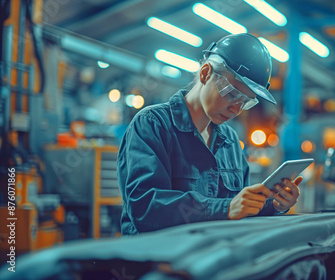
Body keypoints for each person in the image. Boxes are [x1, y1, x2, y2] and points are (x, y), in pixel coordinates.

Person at [117, 33, 302, 235]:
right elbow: (146, 209)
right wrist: (226, 208)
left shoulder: (230, 142)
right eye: (232, 94)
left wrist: (274, 205)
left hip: (210, 258)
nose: (236, 109)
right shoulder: (153, 125)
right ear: (205, 73)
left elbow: (240, 209)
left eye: (245, 102)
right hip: (157, 260)